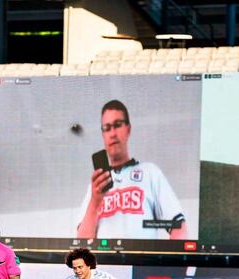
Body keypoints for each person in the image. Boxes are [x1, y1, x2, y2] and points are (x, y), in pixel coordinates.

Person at [76, 100, 188, 240]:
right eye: (107, 128)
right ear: (103, 134)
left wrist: (171, 261)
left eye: (117, 125)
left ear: (128, 129)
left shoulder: (150, 172)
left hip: (143, 260)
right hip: (106, 262)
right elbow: (81, 244)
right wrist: (94, 202)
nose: (112, 133)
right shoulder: (95, 188)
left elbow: (179, 227)